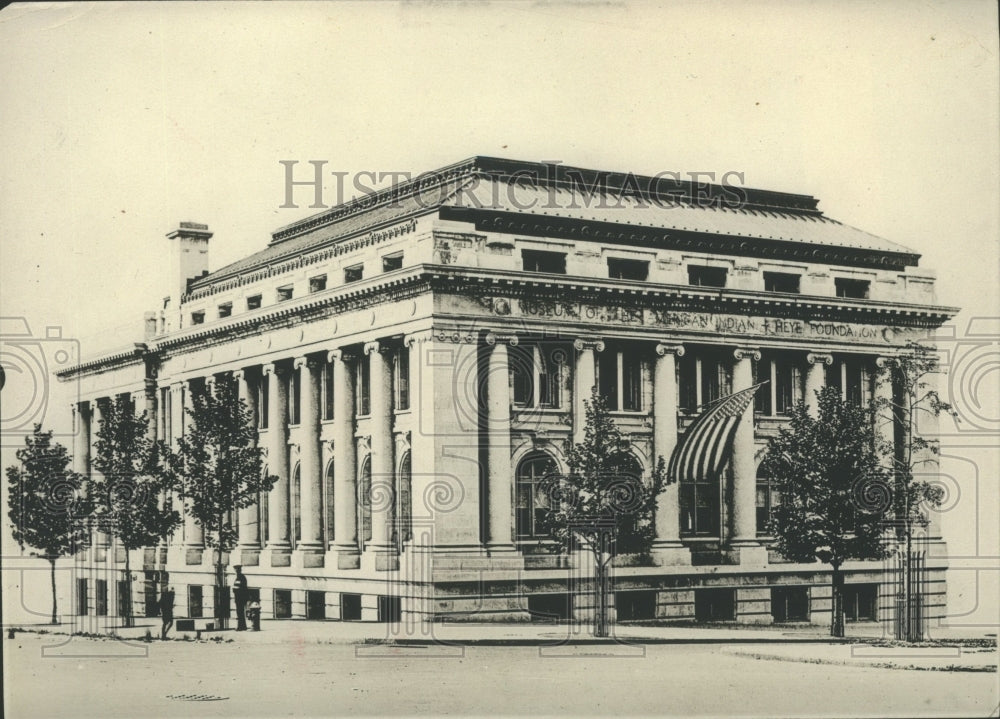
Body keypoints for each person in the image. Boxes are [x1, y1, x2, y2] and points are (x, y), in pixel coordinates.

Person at [232, 566, 249, 631]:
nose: (236, 571)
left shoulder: (241, 577)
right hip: (238, 597)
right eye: (235, 570)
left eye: (237, 570)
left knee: (240, 612)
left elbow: (239, 588)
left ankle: (241, 627)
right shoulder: (239, 577)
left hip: (240, 598)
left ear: (239, 570)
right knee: (240, 612)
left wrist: (234, 589)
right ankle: (243, 626)